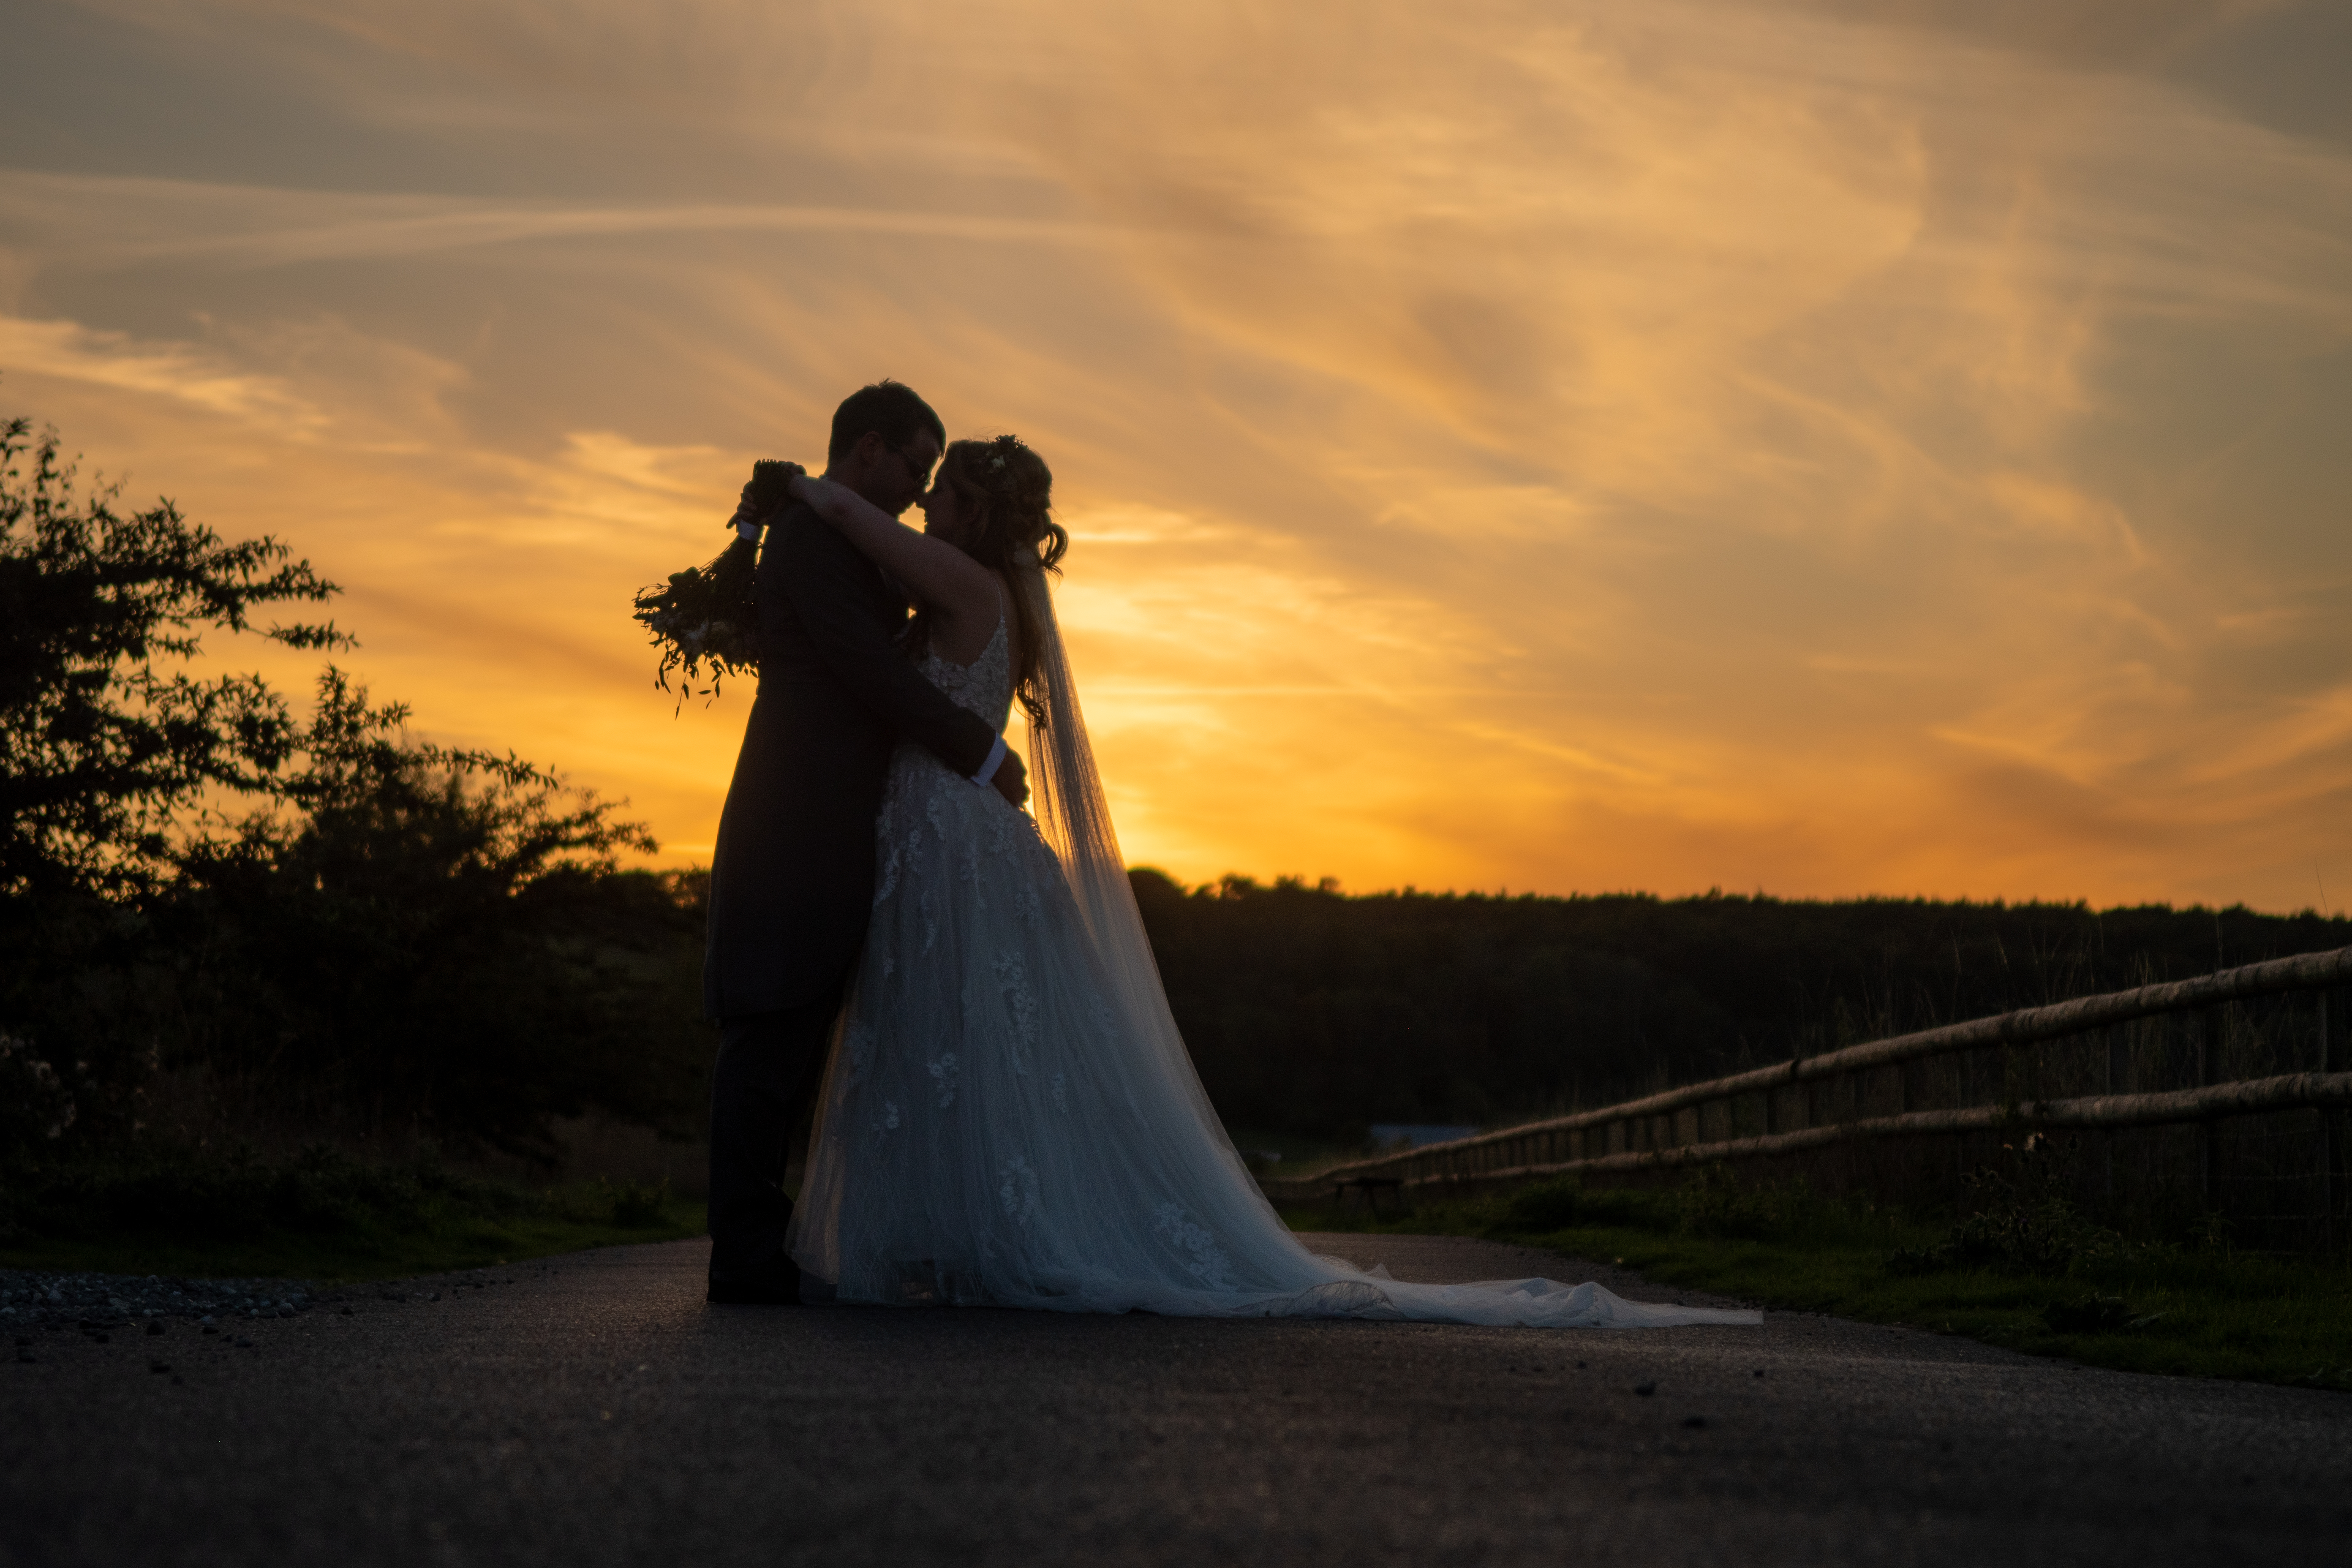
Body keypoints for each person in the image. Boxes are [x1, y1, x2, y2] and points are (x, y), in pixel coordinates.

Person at [761, 430, 1759, 1328]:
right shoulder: (1011, 598)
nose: (925, 502)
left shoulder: (958, 578)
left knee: (947, 1029)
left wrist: (792, 486)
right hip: (956, 831)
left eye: (942, 492)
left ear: (973, 511)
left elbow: (851, 516)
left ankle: (966, 1238)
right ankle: (966, 1234)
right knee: (964, 1039)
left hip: (948, 835)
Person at [702, 381, 1028, 1305]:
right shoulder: (811, 540)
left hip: (841, 826)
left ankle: (761, 1245)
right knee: (768, 1032)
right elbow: (867, 669)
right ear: (870, 449)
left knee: (800, 1034)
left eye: (937, 477)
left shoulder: (857, 547)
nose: (922, 489)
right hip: (793, 815)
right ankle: (744, 1256)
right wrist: (980, 750)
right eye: (915, 467)